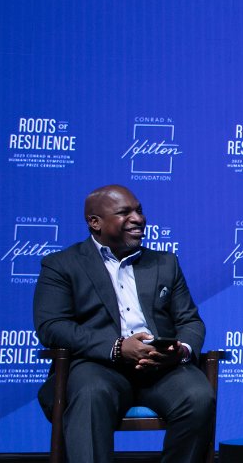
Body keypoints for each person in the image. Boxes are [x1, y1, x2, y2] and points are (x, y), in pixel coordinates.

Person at [33, 186, 214, 462]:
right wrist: (117, 347)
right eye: (124, 212)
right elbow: (52, 326)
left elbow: (189, 320)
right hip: (97, 366)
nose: (138, 218)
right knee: (91, 395)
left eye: (139, 210)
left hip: (160, 368)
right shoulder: (61, 265)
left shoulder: (165, 263)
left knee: (199, 396)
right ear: (95, 222)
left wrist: (182, 350)